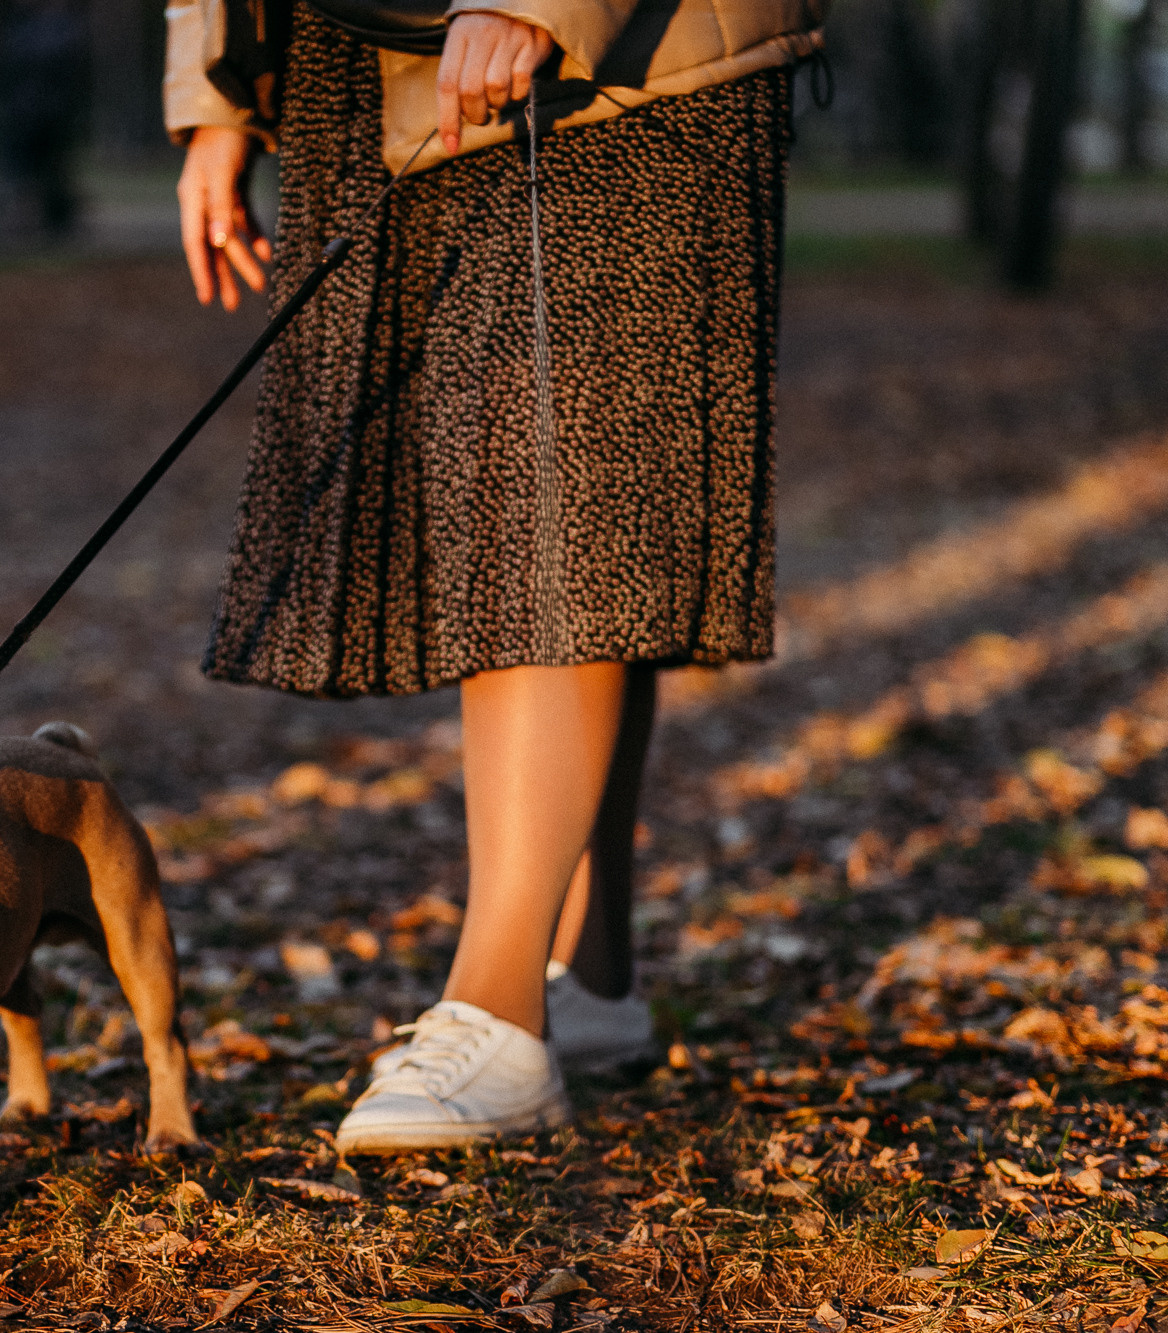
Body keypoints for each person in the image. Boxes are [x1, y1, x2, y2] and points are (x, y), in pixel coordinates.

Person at [164, 0, 825, 1152]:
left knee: (547, 513)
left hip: (620, 69)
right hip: (366, 61)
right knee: (556, 512)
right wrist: (216, 95)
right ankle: (589, 979)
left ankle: (498, 1009)